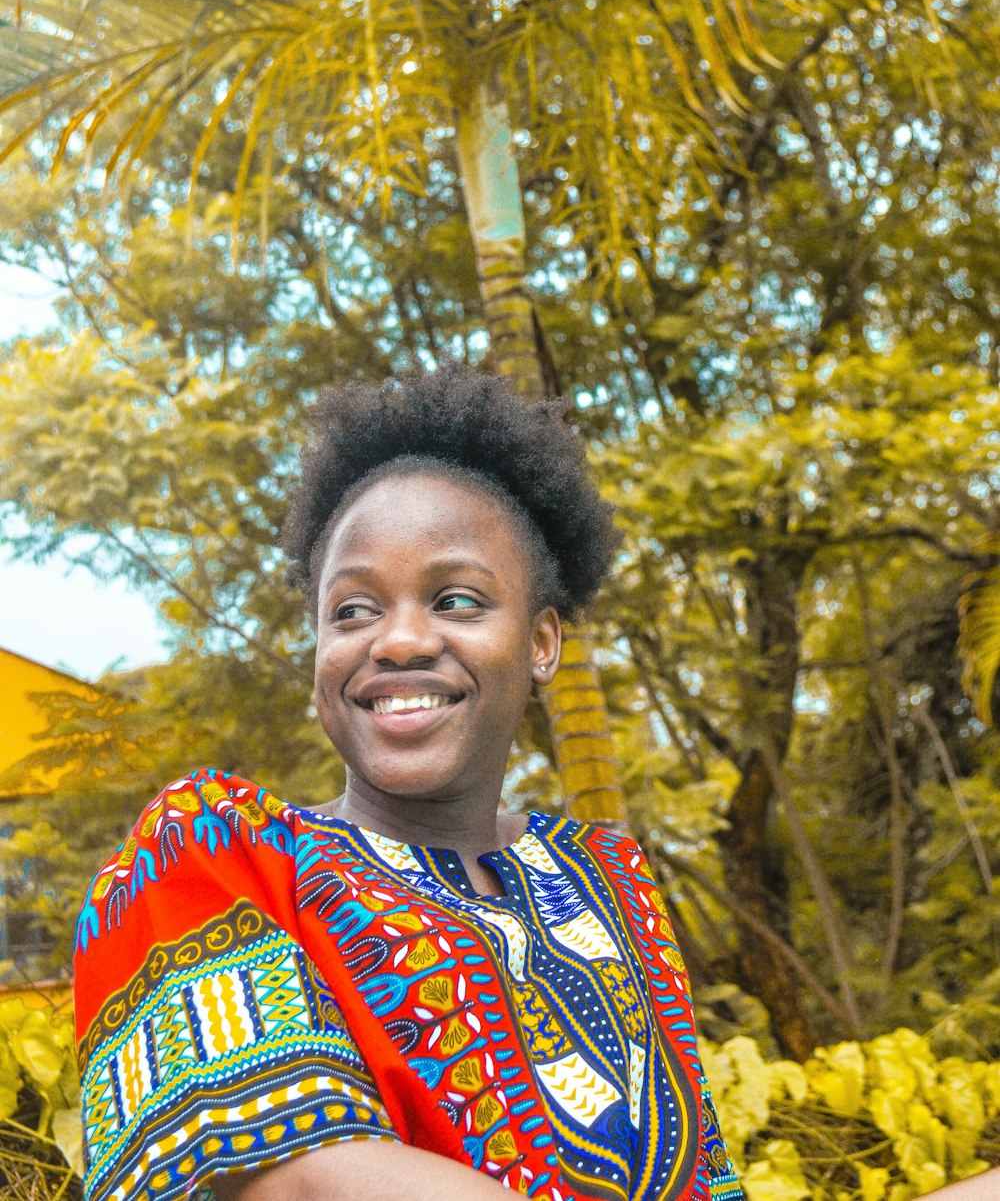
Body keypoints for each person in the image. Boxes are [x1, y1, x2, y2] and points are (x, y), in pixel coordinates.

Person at [70, 368, 992, 1201]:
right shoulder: (211, 855)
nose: (395, 640)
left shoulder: (611, 878)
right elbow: (304, 1182)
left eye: (456, 599)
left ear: (542, 643)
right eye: (352, 610)